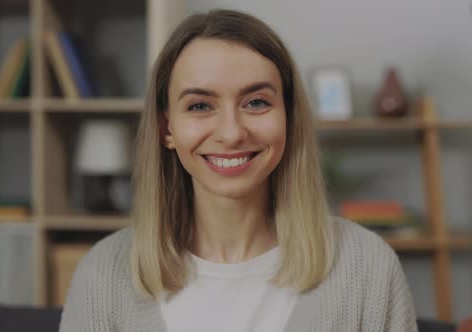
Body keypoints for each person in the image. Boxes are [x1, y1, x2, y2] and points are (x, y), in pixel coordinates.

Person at [59, 9, 417, 332]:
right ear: (167, 128)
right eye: (200, 105)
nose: (231, 133)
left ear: (289, 118)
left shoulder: (366, 267)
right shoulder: (103, 274)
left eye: (256, 102)